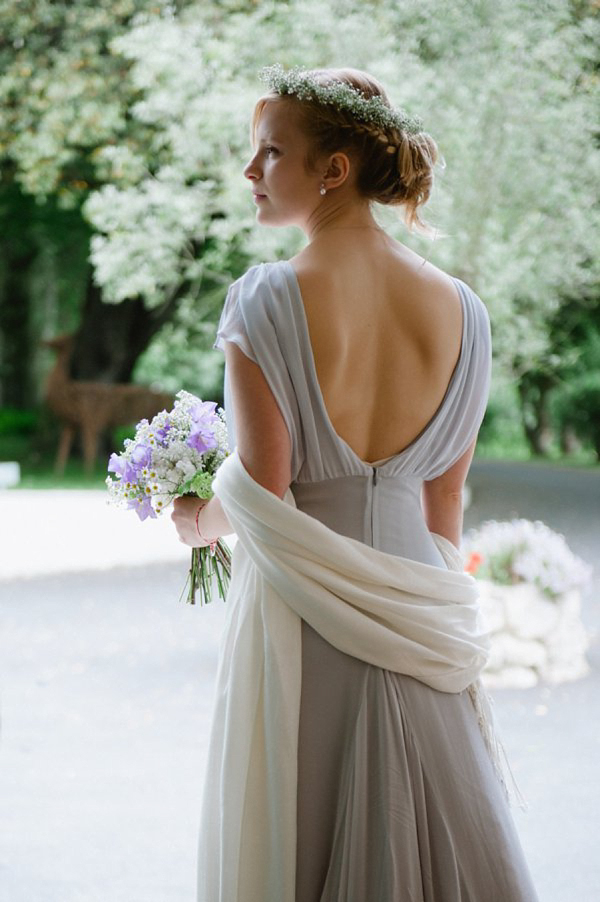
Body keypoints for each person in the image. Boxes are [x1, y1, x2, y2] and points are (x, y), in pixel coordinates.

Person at [172, 65, 539, 902]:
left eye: (270, 152)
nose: (250, 172)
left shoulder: (265, 299)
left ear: (333, 169)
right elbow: (445, 502)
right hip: (419, 590)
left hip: (304, 608)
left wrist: (194, 520)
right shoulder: (464, 310)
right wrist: (414, 605)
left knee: (298, 817)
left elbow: (266, 492)